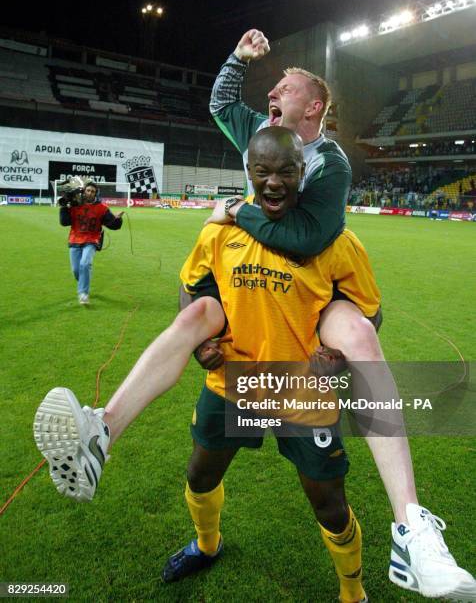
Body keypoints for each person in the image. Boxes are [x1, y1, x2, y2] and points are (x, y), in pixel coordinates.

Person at [34, 129, 475, 601]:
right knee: (200, 475)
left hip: (304, 393)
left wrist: (340, 359)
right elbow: (193, 285)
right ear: (248, 173)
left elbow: (370, 315)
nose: (273, 183)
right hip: (232, 384)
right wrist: (204, 344)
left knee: (329, 506)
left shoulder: (333, 239)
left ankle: (354, 591)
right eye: (262, 171)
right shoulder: (220, 229)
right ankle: (198, 536)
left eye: (286, 171)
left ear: (303, 173)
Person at [202, 30, 475, 601]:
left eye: (286, 87)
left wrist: (233, 213)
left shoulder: (330, 161)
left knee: (357, 345)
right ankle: (114, 440)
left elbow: (305, 238)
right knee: (203, 458)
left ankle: (410, 530)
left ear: (314, 107)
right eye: (272, 85)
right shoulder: (259, 130)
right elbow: (221, 104)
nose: (272, 90)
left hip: (310, 319)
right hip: (253, 340)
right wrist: (236, 58)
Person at [59, 181, 124, 305]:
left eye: (93, 191)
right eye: (88, 190)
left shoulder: (102, 208)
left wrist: (118, 219)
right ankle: (84, 283)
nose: (90, 193)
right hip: (74, 240)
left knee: (85, 263)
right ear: (84, 191)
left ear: (96, 193)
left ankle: (83, 293)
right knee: (76, 270)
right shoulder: (75, 205)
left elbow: (112, 225)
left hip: (92, 240)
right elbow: (64, 222)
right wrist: (64, 207)